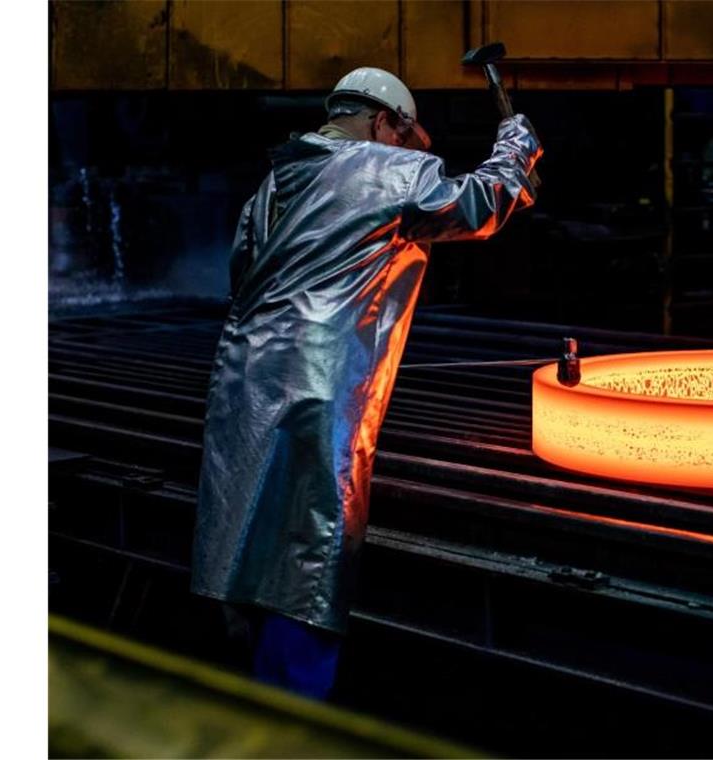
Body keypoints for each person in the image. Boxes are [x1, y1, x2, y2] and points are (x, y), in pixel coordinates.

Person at [190, 67, 542, 700]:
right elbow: (480, 204)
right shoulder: (385, 169)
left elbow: (240, 273)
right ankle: (295, 722)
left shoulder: (273, 184)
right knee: (310, 554)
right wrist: (517, 144)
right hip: (318, 393)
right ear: (385, 124)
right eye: (407, 141)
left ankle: (249, 705)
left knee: (248, 543)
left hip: (244, 387)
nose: (410, 156)